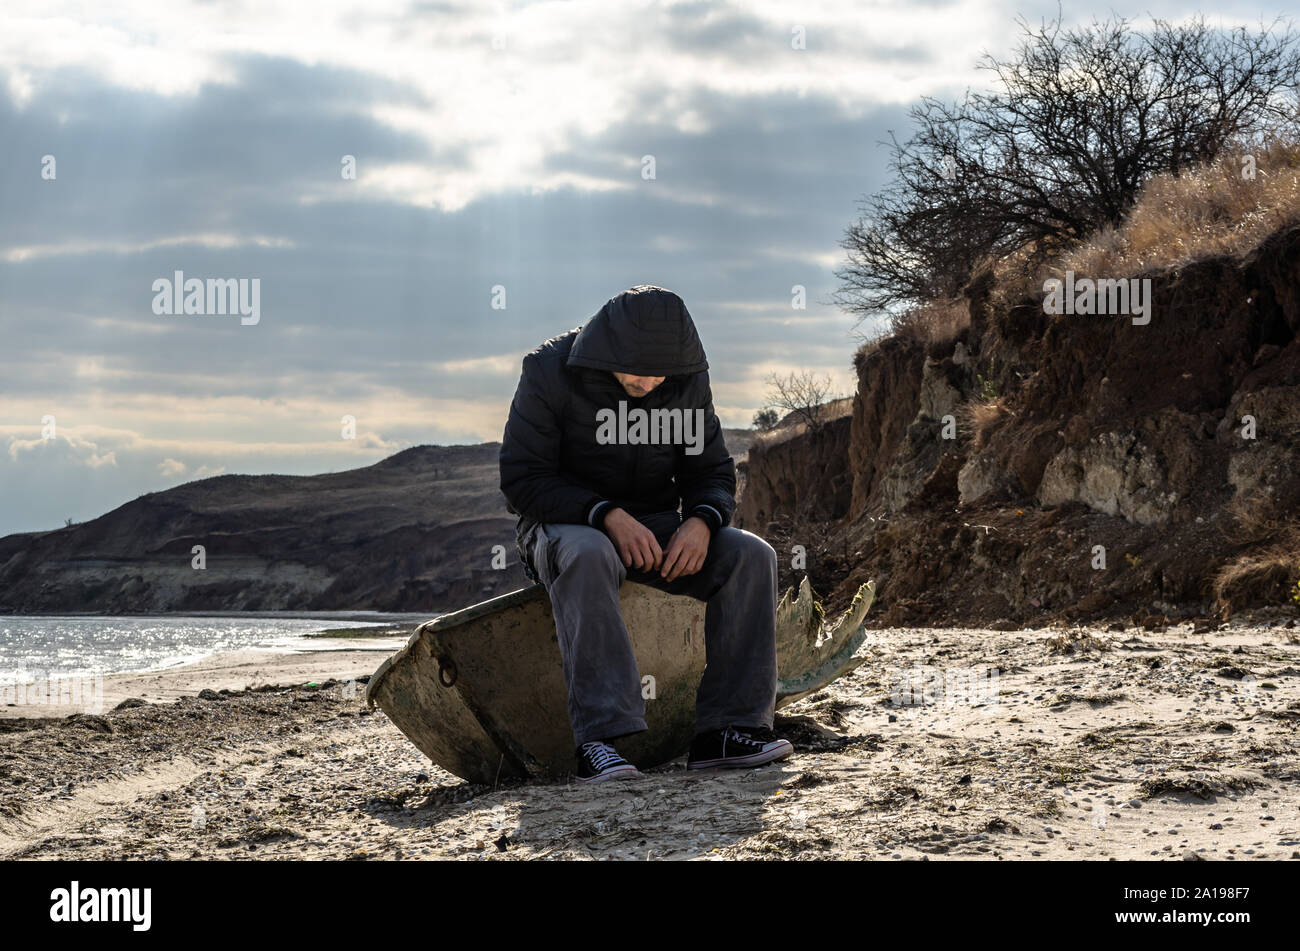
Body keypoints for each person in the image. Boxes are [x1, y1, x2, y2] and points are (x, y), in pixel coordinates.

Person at [499, 284, 793, 783]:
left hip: (657, 526)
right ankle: (600, 742)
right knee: (590, 553)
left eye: (663, 373)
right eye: (638, 370)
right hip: (563, 527)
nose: (651, 382)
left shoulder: (685, 380)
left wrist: (702, 520)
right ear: (605, 350)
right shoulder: (547, 371)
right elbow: (522, 480)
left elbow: (713, 472)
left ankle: (727, 731)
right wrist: (605, 514)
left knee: (752, 556)